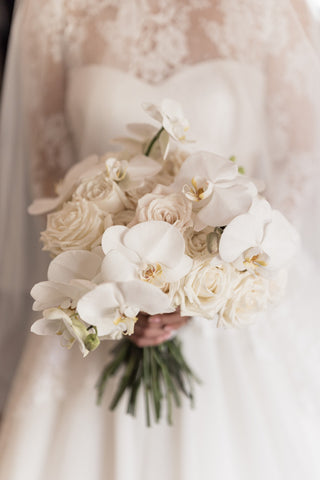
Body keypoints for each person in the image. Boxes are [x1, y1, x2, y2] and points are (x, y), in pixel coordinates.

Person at [0, 1, 320, 479]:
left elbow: (302, 158)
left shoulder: (273, 9)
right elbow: (49, 173)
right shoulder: (53, 12)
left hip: (232, 311)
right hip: (100, 305)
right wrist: (114, 299)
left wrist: (223, 272)